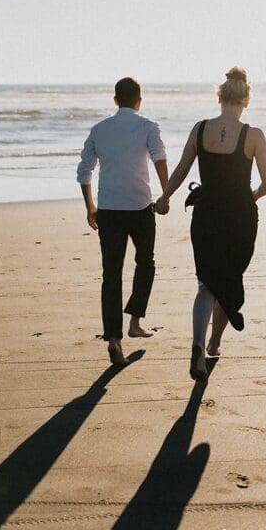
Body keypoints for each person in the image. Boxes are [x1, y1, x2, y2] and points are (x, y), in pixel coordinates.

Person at [154, 67, 266, 381]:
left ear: (219, 97)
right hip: (239, 218)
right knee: (229, 279)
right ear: (246, 101)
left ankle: (197, 344)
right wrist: (250, 198)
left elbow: (181, 169)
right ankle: (215, 343)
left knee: (207, 282)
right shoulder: (254, 135)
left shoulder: (200, 129)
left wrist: (165, 197)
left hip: (205, 215)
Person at [77, 77, 168, 366]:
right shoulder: (148, 127)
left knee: (111, 273)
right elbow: (160, 159)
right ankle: (135, 321)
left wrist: (90, 206)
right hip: (141, 206)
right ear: (139, 101)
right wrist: (166, 194)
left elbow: (84, 171)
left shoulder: (100, 130)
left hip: (110, 210)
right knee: (146, 262)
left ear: (115, 100)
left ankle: (114, 338)